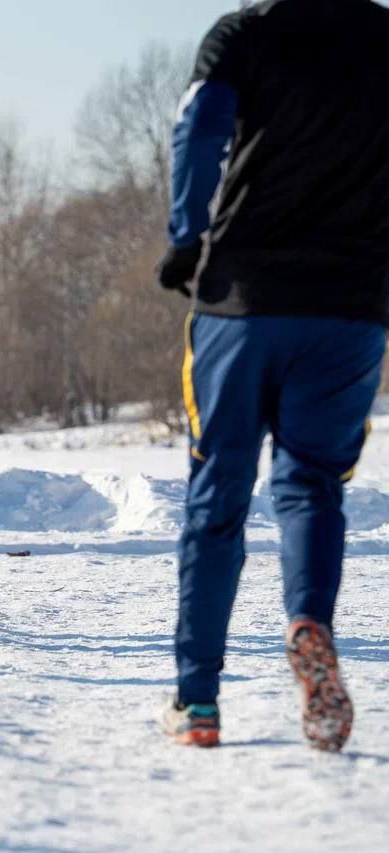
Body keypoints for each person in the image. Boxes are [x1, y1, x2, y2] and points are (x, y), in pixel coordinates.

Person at [156, 0, 389, 751]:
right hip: (353, 307)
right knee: (312, 484)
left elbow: (199, 130)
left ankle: (197, 703)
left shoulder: (244, 33)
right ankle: (308, 621)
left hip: (242, 302)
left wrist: (187, 234)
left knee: (217, 489)